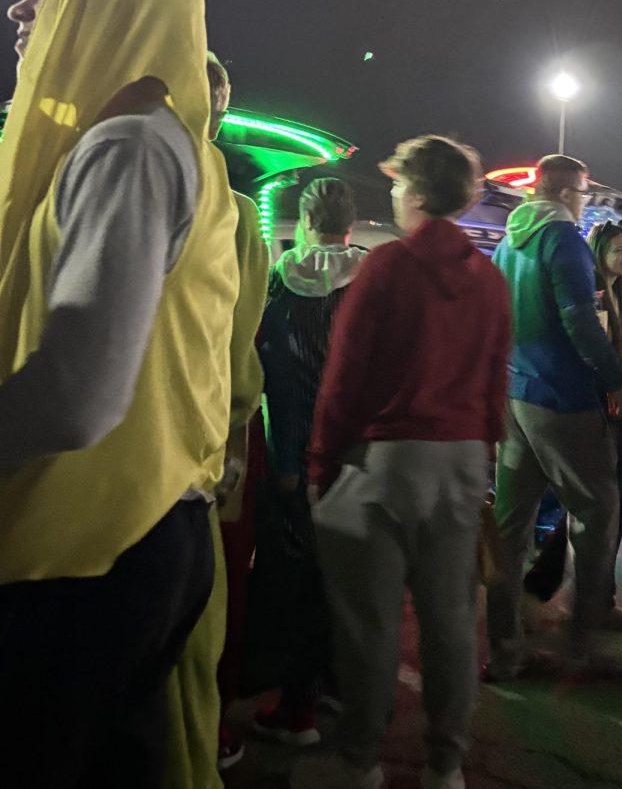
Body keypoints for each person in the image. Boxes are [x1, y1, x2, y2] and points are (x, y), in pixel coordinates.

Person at [0, 0, 240, 788]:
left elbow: (78, 395)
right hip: (139, 535)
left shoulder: (128, 147)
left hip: (93, 549)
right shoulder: (169, 137)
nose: (24, 9)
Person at [293, 136, 511, 789]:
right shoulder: (488, 278)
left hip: (387, 463)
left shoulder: (386, 269)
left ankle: (360, 762)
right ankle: (446, 767)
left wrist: (319, 468)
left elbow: (345, 381)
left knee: (371, 627)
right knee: (450, 625)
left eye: (396, 185)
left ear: (415, 192)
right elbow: (495, 378)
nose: (391, 195)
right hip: (463, 459)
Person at [162, 53, 270, 787]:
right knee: (204, 601)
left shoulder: (165, 180)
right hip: (216, 435)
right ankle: (210, 737)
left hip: (187, 440)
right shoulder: (231, 205)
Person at [485, 155, 622, 681]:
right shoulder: (563, 238)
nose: (586, 204)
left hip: (516, 394)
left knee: (510, 525)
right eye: (585, 194)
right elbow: (576, 320)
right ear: (570, 192)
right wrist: (614, 376)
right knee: (597, 512)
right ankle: (581, 644)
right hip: (563, 398)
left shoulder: (509, 240)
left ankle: (505, 646)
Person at [247, 177, 368, 746]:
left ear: (302, 215)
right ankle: (346, 683)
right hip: (359, 452)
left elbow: (273, 375)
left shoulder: (279, 279)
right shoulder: (371, 277)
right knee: (351, 571)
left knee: (297, 577)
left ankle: (297, 705)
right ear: (351, 217)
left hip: (294, 450)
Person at [519, 220, 622, 632]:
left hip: (609, 408)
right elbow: (587, 347)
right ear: (598, 253)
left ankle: (566, 593)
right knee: (601, 509)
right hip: (593, 407)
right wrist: (612, 389)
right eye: (618, 250)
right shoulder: (591, 294)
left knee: (601, 510)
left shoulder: (616, 292)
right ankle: (580, 607)